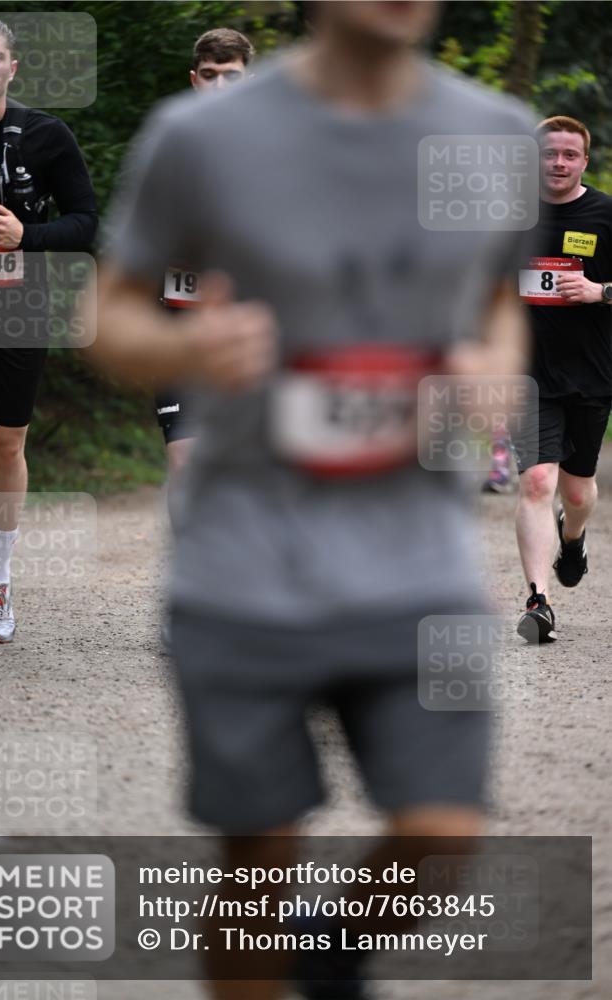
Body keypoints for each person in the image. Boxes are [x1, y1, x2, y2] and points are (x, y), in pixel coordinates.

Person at [86, 2, 535, 997]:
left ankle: (327, 953)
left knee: (443, 832)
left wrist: (490, 367)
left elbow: (497, 300)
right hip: (245, 557)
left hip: (420, 557)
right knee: (258, 857)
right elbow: (108, 310)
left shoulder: (490, 133)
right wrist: (184, 346)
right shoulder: (205, 135)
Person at [0, 16, 97, 642]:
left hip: (19, 299)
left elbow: (86, 220)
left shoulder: (46, 134)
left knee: (5, 445)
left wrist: (25, 236)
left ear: (13, 68)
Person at [515, 116, 612, 645]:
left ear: (584, 161)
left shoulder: (604, 213)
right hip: (527, 373)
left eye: (569, 154)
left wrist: (601, 292)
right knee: (536, 480)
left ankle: (572, 539)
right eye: (549, 153)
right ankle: (538, 602)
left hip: (591, 372)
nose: (558, 162)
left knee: (576, 493)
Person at [154, 27, 254, 475]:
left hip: (250, 331)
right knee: (184, 459)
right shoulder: (167, 145)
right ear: (194, 79)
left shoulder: (275, 151)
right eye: (210, 74)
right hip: (180, 328)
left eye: (231, 75)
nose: (219, 85)